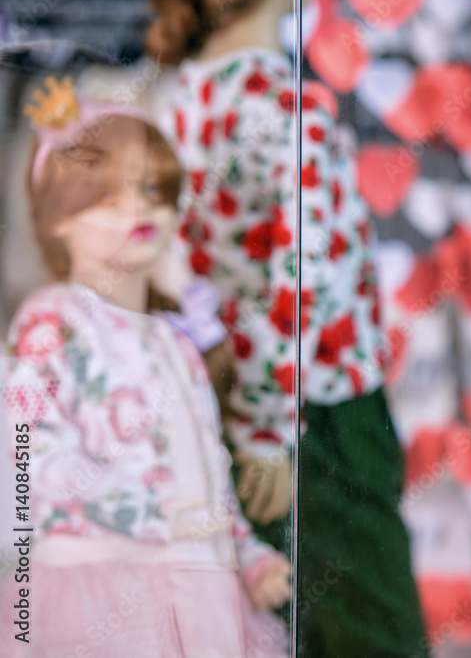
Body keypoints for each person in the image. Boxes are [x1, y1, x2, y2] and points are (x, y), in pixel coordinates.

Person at [145, 0, 429, 655]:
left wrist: (252, 418)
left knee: (282, 620)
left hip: (242, 396)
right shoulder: (282, 101)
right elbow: (303, 275)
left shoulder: (184, 94)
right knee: (371, 625)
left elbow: (192, 267)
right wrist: (268, 428)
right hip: (314, 409)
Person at [0, 78, 290, 657]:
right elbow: (30, 469)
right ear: (58, 218)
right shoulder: (51, 324)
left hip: (203, 591)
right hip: (102, 592)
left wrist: (249, 555)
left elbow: (208, 469)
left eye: (152, 189)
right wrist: (161, 514)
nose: (138, 208)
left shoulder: (174, 340)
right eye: (107, 196)